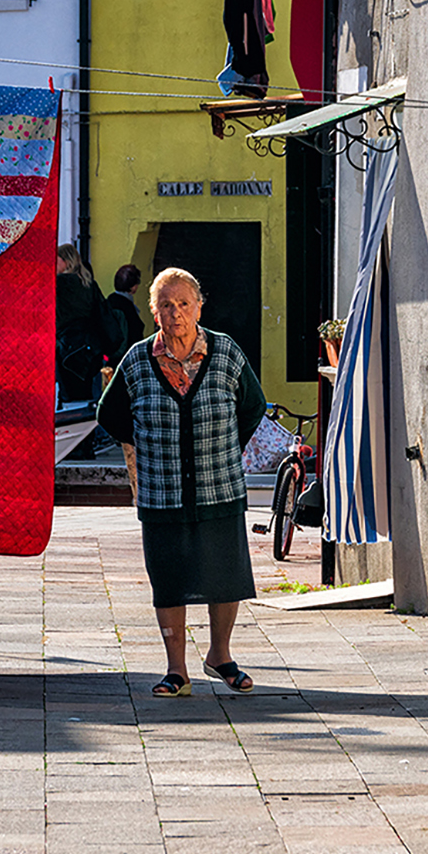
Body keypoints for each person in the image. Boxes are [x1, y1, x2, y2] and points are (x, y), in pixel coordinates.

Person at [97, 267, 266, 697]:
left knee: (225, 575)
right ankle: (177, 671)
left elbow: (252, 406)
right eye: (166, 305)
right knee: (169, 578)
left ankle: (220, 656)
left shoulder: (225, 352)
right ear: (154, 312)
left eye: (184, 304)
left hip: (219, 487)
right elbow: (110, 415)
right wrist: (153, 446)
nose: (176, 313)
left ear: (199, 307)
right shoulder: (137, 360)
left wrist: (226, 448)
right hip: (162, 490)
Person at [55, 245, 114, 404]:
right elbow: (103, 315)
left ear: (66, 262)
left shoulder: (58, 285)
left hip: (66, 348)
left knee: (68, 399)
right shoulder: (89, 284)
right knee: (90, 399)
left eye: (57, 260)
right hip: (90, 348)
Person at [107, 264, 148, 360]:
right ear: (133, 287)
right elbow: (135, 334)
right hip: (126, 358)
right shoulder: (128, 308)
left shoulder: (108, 302)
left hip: (109, 356)